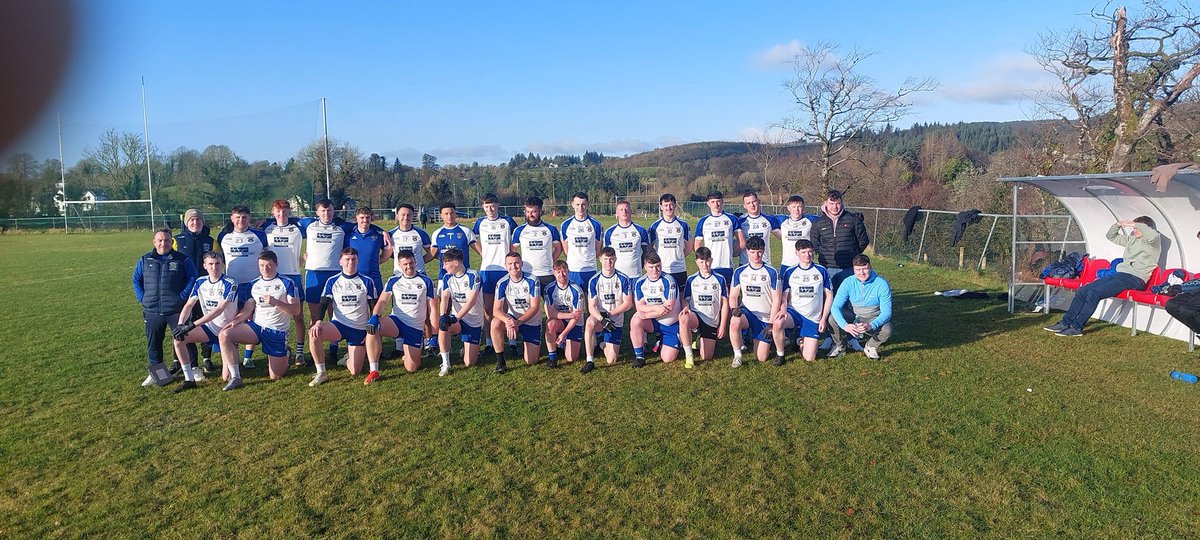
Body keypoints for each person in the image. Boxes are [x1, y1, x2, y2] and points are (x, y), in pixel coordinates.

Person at [1044, 217, 1164, 337]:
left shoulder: (1153, 243)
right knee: (1083, 290)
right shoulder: (1131, 240)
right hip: (1120, 274)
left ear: (1147, 228)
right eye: (1134, 228)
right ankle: (1065, 323)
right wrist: (1118, 225)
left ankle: (1076, 327)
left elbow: (1153, 236)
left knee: (1094, 294)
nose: (1134, 230)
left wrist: (1135, 224)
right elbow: (1111, 236)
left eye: (1137, 228)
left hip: (1135, 279)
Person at [217, 250, 301, 390]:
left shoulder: (287, 283)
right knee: (224, 335)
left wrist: (276, 302)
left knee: (276, 376)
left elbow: (296, 310)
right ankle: (236, 377)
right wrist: (236, 320)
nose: (265, 269)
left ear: (276, 264)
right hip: (256, 327)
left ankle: (286, 352)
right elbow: (247, 309)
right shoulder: (253, 284)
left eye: (269, 265)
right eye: (261, 265)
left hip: (276, 330)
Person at [133, 228, 197, 387]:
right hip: (152, 310)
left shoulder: (182, 260)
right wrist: (143, 298)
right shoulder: (145, 260)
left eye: (167, 240)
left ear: (171, 242)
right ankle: (158, 375)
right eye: (160, 240)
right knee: (154, 343)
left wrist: (181, 297)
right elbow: (136, 280)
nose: (163, 243)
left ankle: (193, 370)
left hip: (176, 309)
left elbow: (192, 278)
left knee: (185, 340)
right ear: (154, 242)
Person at [306, 247, 380, 385]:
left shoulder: (367, 281)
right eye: (347, 259)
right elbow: (323, 303)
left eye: (353, 259)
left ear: (358, 260)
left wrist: (369, 331)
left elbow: (373, 307)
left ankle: (347, 359)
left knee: (355, 371)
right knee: (314, 333)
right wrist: (318, 322)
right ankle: (321, 373)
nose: (350, 262)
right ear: (340, 261)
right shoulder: (332, 281)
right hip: (338, 325)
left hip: (359, 329)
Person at [170, 251, 237, 392]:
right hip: (209, 329)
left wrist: (193, 325)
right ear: (204, 266)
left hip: (227, 330)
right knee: (178, 339)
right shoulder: (200, 282)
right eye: (210, 264)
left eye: (218, 263)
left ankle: (233, 362)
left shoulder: (230, 283)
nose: (214, 267)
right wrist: (181, 325)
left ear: (223, 264)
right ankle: (189, 379)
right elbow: (188, 305)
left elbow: (218, 310)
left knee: (226, 377)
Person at [299, 198, 352, 365]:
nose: (326, 214)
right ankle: (316, 349)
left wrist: (383, 232)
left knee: (334, 313)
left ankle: (334, 349)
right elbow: (286, 219)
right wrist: (266, 221)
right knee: (315, 315)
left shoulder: (342, 226)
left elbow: (364, 224)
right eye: (323, 211)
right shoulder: (308, 224)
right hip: (314, 274)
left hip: (335, 274)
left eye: (329, 210)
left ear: (333, 211)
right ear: (317, 212)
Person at [366, 250, 436, 375]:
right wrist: (375, 316)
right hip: (396, 322)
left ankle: (410, 354)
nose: (409, 266)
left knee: (412, 367)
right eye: (405, 264)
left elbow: (433, 309)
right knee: (373, 328)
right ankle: (374, 370)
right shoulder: (394, 280)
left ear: (415, 261)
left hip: (414, 327)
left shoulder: (426, 281)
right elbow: (382, 301)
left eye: (411, 263)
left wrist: (434, 334)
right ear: (399, 264)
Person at [218, 204, 269, 369]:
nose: (241, 220)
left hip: (254, 285)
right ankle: (234, 357)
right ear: (232, 219)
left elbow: (267, 257)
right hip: (232, 286)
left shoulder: (260, 236)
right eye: (237, 217)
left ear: (249, 218)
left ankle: (248, 357)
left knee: (251, 319)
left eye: (244, 217)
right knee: (232, 319)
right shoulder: (223, 236)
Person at [262, 199, 307, 366]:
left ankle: (300, 351)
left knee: (298, 315)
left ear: (290, 213)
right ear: (273, 212)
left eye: (285, 211)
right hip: (274, 277)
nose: (282, 215)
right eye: (278, 211)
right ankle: (283, 348)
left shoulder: (298, 228)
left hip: (293, 275)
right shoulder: (266, 229)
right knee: (278, 314)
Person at [774, 239, 833, 363]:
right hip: (794, 312)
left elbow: (829, 295)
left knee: (809, 358)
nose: (807, 255)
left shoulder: (821, 271)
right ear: (797, 253)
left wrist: (823, 319)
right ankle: (780, 354)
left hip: (813, 317)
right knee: (778, 323)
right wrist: (783, 308)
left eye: (810, 252)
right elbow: (785, 295)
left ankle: (799, 340)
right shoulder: (790, 271)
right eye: (803, 252)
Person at [473, 193, 519, 350]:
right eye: (486, 206)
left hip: (505, 270)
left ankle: (511, 341)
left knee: (506, 306)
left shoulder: (507, 222)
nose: (490, 209)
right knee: (488, 309)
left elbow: (515, 242)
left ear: (498, 205)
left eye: (492, 206)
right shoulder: (479, 223)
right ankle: (489, 343)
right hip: (487, 271)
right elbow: (473, 240)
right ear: (483, 207)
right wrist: (483, 254)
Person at [430, 201, 477, 354]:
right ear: (441, 215)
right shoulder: (437, 233)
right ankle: (446, 348)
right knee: (444, 309)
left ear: (456, 214)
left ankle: (466, 340)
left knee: (464, 307)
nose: (449, 216)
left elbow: (480, 251)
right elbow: (432, 255)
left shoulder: (465, 231)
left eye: (452, 213)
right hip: (445, 277)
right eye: (446, 213)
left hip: (464, 279)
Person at [389, 202, 436, 355]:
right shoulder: (390, 234)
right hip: (399, 279)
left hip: (420, 277)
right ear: (397, 216)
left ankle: (430, 343)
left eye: (409, 215)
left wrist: (419, 263)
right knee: (399, 310)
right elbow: (388, 253)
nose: (406, 218)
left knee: (426, 311)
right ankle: (399, 345)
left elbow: (431, 253)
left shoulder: (420, 233)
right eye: (402, 214)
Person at [173, 208, 215, 372]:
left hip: (206, 291)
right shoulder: (177, 240)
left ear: (202, 222)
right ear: (186, 222)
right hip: (185, 291)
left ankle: (207, 358)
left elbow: (218, 262)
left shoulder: (211, 241)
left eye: (198, 220)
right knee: (182, 323)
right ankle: (179, 360)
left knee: (206, 322)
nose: (195, 223)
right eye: (192, 220)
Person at [729, 236, 782, 366]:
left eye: (759, 251)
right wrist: (734, 309)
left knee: (761, 358)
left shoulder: (772, 272)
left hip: (765, 317)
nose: (756, 255)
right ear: (747, 251)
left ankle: (764, 341)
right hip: (747, 314)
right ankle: (737, 356)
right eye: (752, 252)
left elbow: (777, 299)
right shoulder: (740, 271)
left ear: (763, 251)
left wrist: (771, 324)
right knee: (735, 321)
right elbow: (733, 295)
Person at [829, 254, 893, 359]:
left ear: (870, 267)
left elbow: (887, 313)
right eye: (858, 269)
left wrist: (871, 325)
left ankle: (871, 346)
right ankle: (839, 346)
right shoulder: (848, 282)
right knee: (832, 318)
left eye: (865, 269)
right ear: (853, 269)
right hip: (854, 315)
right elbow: (835, 306)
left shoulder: (882, 284)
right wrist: (845, 325)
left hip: (873, 317)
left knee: (887, 329)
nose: (862, 273)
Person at [582, 247, 634, 372]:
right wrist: (602, 318)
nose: (608, 262)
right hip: (599, 318)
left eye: (611, 259)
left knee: (611, 360)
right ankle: (590, 360)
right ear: (600, 259)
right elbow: (591, 306)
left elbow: (628, 304)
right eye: (605, 259)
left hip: (615, 320)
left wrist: (609, 315)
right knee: (589, 323)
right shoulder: (594, 280)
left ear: (615, 259)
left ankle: (601, 343)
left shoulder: (623, 279)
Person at [490, 251, 543, 372]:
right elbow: (496, 310)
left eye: (516, 263)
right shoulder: (502, 283)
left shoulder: (532, 280)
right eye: (510, 264)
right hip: (513, 318)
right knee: (495, 323)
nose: (513, 266)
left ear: (521, 263)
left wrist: (517, 322)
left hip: (531, 321)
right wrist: (508, 320)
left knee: (531, 361)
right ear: (505, 265)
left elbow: (535, 307)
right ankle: (501, 363)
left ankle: (525, 343)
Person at [435, 248, 485, 376]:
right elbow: (445, 297)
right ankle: (446, 364)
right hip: (456, 319)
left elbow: (471, 302)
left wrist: (455, 318)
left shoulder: (474, 276)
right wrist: (443, 316)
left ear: (456, 263)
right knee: (443, 326)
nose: (444, 267)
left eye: (446, 263)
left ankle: (468, 346)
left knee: (469, 363)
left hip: (473, 321)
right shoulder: (447, 277)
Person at [629, 253, 683, 367]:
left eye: (658, 266)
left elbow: (669, 307)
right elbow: (639, 307)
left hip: (671, 324)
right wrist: (656, 308)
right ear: (645, 267)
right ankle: (639, 357)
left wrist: (646, 313)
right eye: (651, 267)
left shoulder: (669, 280)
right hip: (653, 321)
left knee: (668, 359)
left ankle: (665, 341)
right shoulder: (640, 282)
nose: (655, 270)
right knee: (635, 320)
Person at [679, 247, 729, 367]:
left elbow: (725, 303)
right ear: (696, 262)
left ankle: (699, 341)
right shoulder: (691, 280)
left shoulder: (720, 279)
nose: (704, 264)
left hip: (711, 321)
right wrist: (685, 308)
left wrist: (722, 326)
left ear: (711, 260)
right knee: (684, 318)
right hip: (696, 316)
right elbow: (685, 299)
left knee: (707, 357)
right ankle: (689, 356)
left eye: (707, 261)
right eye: (701, 261)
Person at [811, 190, 870, 291]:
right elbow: (814, 242)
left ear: (842, 203)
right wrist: (825, 253)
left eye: (838, 203)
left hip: (848, 267)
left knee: (847, 299)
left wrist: (853, 253)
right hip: (827, 267)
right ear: (825, 203)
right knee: (829, 299)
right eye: (831, 203)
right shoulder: (818, 223)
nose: (835, 207)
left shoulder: (853, 219)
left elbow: (863, 240)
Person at [512, 195, 563, 289]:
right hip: (527, 273)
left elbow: (558, 248)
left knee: (550, 303)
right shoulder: (519, 230)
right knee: (528, 303)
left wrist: (549, 260)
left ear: (540, 211)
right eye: (527, 212)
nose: (530, 215)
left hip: (547, 273)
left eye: (534, 212)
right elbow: (513, 250)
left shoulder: (551, 229)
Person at [543, 259, 584, 368]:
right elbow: (551, 313)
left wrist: (563, 334)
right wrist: (569, 315)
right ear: (554, 273)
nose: (562, 274)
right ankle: (552, 358)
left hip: (574, 324)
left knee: (571, 358)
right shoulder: (549, 289)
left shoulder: (576, 290)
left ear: (568, 271)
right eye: (558, 272)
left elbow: (577, 317)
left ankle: (564, 341)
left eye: (564, 271)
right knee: (550, 324)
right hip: (560, 321)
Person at [560, 192, 603, 292]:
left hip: (590, 269)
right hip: (572, 270)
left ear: (588, 204)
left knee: (591, 301)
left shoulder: (596, 225)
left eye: (583, 204)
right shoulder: (565, 225)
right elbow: (566, 249)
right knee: (573, 301)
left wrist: (588, 259)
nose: (580, 207)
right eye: (578, 204)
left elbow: (598, 248)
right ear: (572, 204)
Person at [694, 191, 739, 285]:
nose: (716, 204)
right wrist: (703, 261)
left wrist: (730, 252)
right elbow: (697, 245)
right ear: (708, 203)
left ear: (722, 201)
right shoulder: (703, 221)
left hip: (726, 266)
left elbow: (742, 242)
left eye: (718, 201)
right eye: (713, 202)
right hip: (710, 267)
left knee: (727, 296)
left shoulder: (732, 219)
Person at [648, 193, 691, 289]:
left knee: (681, 297)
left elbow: (689, 246)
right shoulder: (655, 226)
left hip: (679, 269)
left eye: (671, 204)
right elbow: (649, 247)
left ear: (675, 205)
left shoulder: (683, 225)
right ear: (661, 207)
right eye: (666, 205)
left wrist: (679, 256)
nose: (669, 207)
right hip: (662, 269)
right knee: (664, 297)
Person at [347, 206, 392, 293]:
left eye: (368, 217)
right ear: (356, 218)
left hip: (374, 278)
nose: (365, 220)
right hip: (354, 279)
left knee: (376, 306)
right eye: (362, 217)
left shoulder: (379, 235)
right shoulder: (348, 235)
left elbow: (388, 249)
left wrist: (378, 261)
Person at [604, 200, 650, 279]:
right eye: (621, 210)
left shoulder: (641, 230)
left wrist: (640, 266)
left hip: (635, 275)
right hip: (617, 276)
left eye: (626, 209)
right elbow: (606, 255)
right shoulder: (609, 232)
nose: (624, 212)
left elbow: (647, 252)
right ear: (617, 213)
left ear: (631, 211)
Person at [738, 191, 779, 267]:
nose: (752, 205)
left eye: (754, 202)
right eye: (748, 203)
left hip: (765, 263)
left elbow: (783, 237)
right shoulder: (740, 221)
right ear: (744, 206)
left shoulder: (770, 220)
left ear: (758, 201)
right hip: (745, 263)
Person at [777, 195, 815, 275]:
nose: (796, 210)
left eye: (799, 207)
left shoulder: (811, 220)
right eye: (793, 207)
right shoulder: (782, 221)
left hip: (806, 264)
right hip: (787, 264)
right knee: (786, 287)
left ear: (803, 207)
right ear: (788, 208)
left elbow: (827, 218)